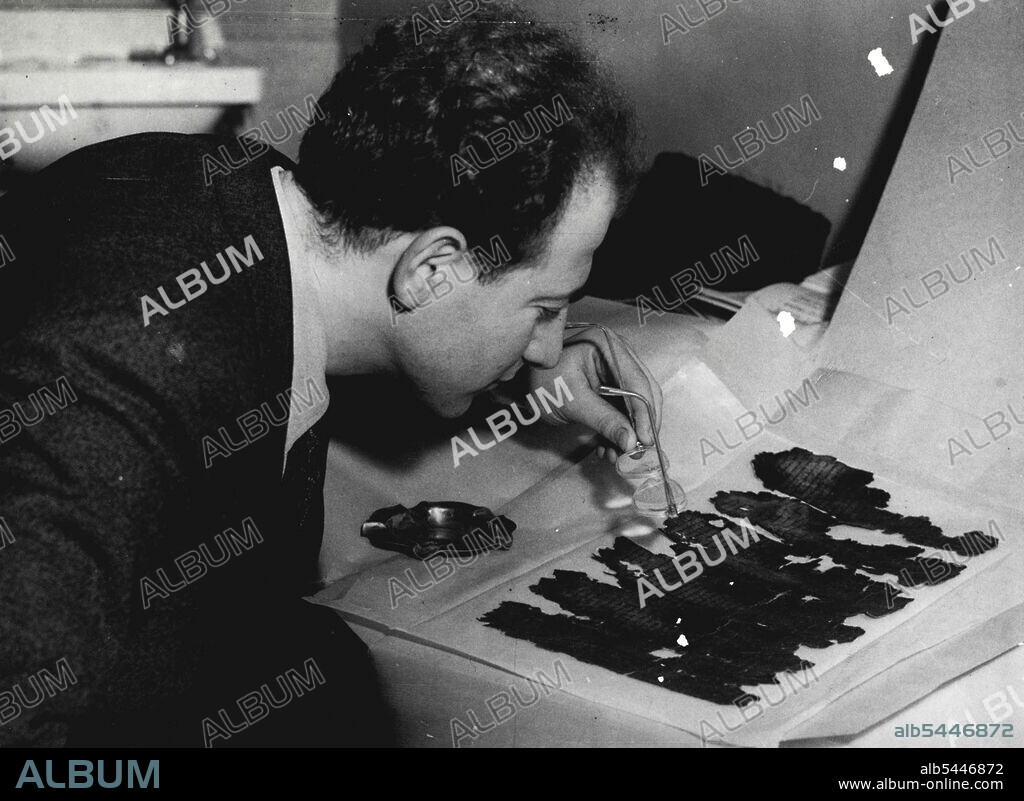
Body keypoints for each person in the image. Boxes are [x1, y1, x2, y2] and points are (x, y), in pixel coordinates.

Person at [0, 3, 661, 747]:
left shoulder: (263, 202)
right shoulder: (119, 378)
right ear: (435, 268)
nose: (551, 344)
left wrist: (519, 365)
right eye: (546, 305)